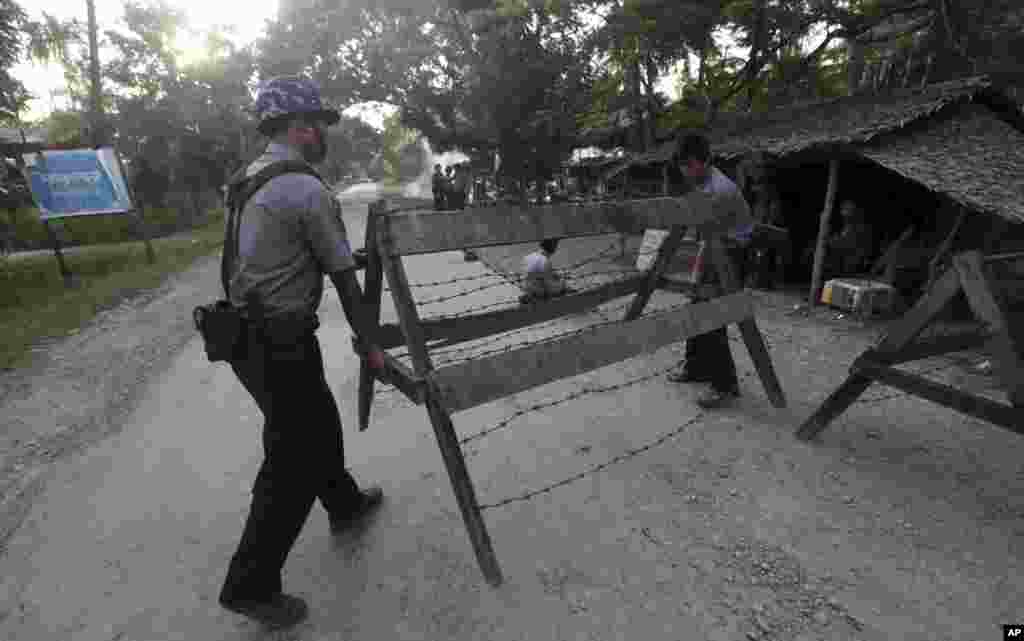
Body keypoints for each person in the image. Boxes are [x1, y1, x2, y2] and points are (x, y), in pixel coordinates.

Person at [218, 75, 387, 628]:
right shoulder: (307, 188)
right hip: (281, 338)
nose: (322, 132)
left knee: (315, 426)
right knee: (292, 459)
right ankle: (251, 585)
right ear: (297, 127)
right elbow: (342, 277)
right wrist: (370, 344)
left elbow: (274, 250)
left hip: (246, 335)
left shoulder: (247, 176)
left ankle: (343, 504)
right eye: (317, 123)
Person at [665, 132, 756, 409]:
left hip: (732, 253)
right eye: (681, 165)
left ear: (701, 161)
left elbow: (709, 236)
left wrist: (698, 268)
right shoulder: (702, 184)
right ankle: (695, 367)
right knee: (696, 307)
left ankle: (725, 385)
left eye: (687, 164)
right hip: (716, 246)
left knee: (714, 316)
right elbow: (705, 237)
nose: (684, 170)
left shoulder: (719, 191)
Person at [519, 238, 573, 304]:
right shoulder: (545, 261)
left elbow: (537, 274)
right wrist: (563, 281)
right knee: (569, 288)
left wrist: (558, 274)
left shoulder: (527, 257)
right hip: (538, 296)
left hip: (527, 291)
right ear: (554, 247)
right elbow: (551, 289)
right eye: (556, 245)